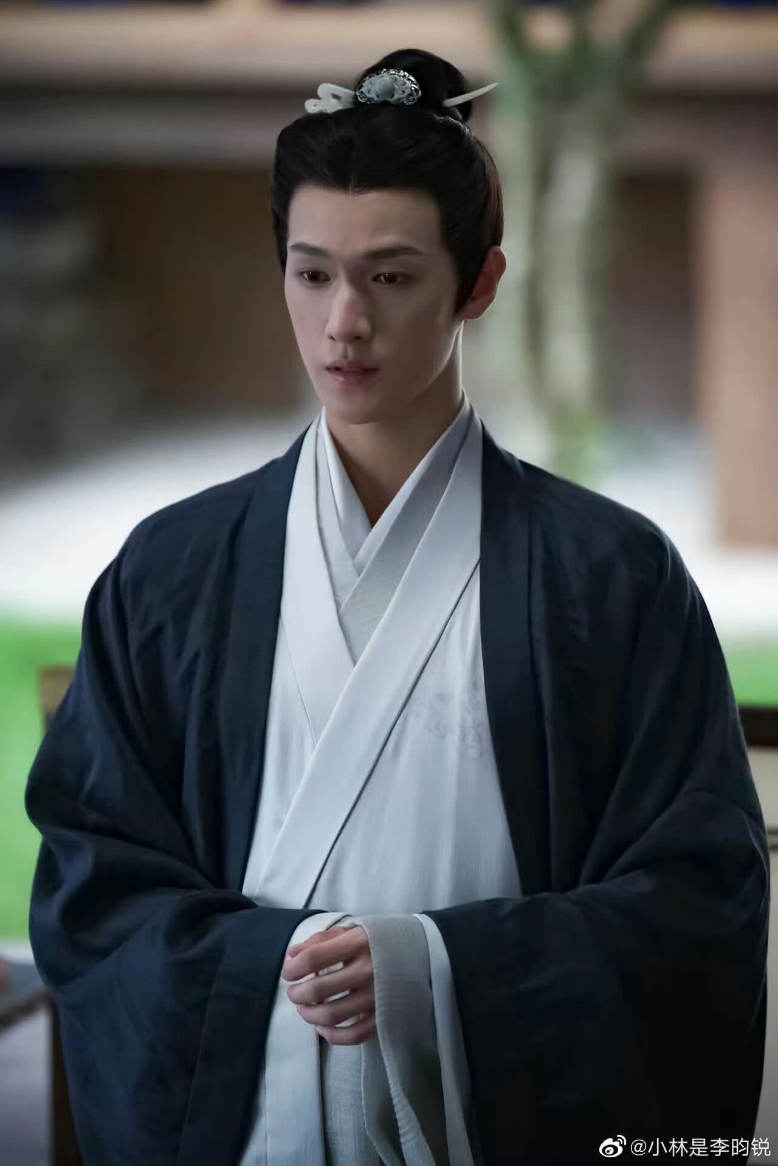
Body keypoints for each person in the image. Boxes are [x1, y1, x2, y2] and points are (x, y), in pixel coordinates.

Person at [24, 47, 768, 1166]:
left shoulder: (610, 578)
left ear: (480, 283)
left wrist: (434, 972)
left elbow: (697, 901)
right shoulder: (172, 572)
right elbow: (96, 888)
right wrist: (264, 975)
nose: (344, 323)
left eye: (391, 276)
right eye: (312, 273)